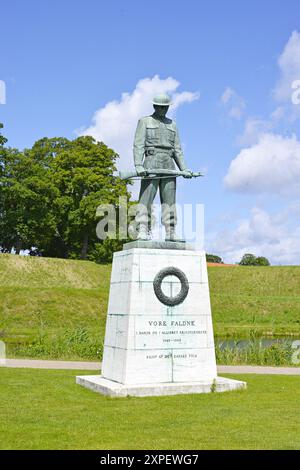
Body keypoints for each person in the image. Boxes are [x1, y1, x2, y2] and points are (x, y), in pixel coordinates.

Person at [133, 93, 192, 241]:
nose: (163, 110)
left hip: (169, 163)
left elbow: (178, 149)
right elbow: (138, 145)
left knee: (169, 200)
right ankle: (142, 229)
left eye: (165, 107)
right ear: (154, 106)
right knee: (146, 198)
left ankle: (170, 232)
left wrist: (183, 168)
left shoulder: (172, 124)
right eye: (160, 107)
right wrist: (138, 164)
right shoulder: (144, 121)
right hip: (151, 161)